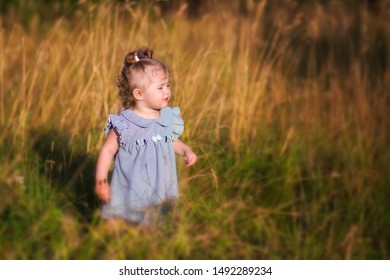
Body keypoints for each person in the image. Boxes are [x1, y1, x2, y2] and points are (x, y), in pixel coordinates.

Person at [95, 47, 198, 226]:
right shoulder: (125, 123)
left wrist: (186, 150)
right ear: (139, 94)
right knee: (117, 221)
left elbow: (170, 141)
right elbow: (107, 150)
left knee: (153, 224)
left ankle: (147, 244)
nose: (167, 91)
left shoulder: (166, 117)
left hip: (159, 187)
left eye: (167, 85)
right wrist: (101, 180)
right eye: (160, 87)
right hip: (130, 187)